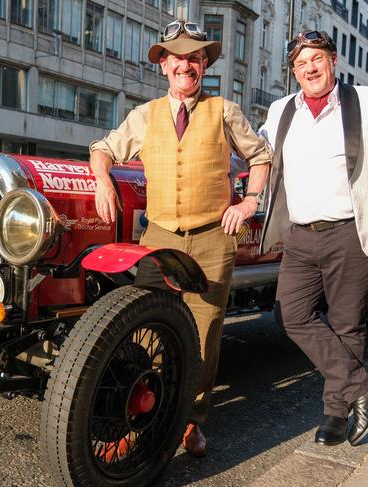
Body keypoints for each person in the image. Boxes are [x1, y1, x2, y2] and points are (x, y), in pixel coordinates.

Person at [90, 19, 272, 457]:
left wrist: (248, 203)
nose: (186, 65)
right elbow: (103, 148)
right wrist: (102, 181)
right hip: (158, 238)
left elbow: (261, 156)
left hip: (212, 238)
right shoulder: (145, 115)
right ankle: (140, 417)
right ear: (164, 66)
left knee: (204, 335)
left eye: (195, 57)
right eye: (178, 58)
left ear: (204, 64)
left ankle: (192, 421)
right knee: (147, 329)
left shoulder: (223, 110)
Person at [259, 31, 368, 447]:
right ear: (294, 71)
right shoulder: (281, 110)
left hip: (351, 230)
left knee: (347, 325)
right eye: (301, 62)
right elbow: (257, 155)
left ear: (333, 60)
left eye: (317, 58)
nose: (310, 67)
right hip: (301, 233)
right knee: (292, 315)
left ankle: (335, 415)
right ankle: (365, 387)